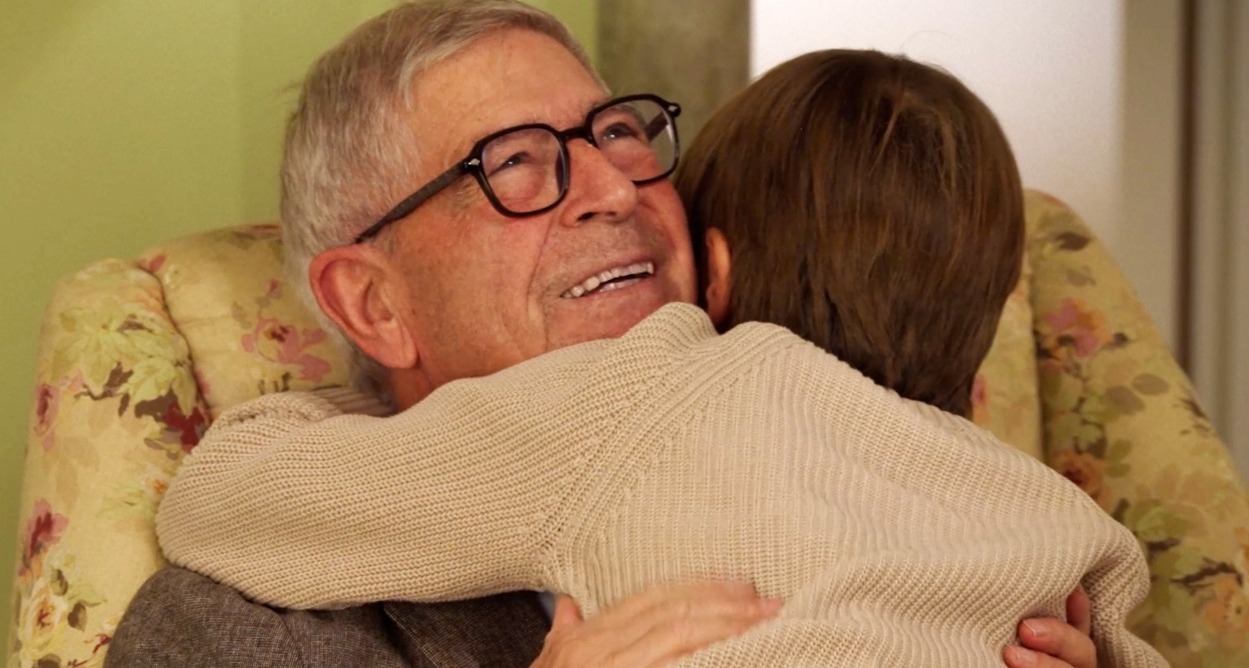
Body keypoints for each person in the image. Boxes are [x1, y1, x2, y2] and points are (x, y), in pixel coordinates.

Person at [108, 2, 1102, 667]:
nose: (615, 188)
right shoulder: (241, 627)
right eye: (514, 161)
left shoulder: (874, 448)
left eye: (618, 132)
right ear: (375, 305)